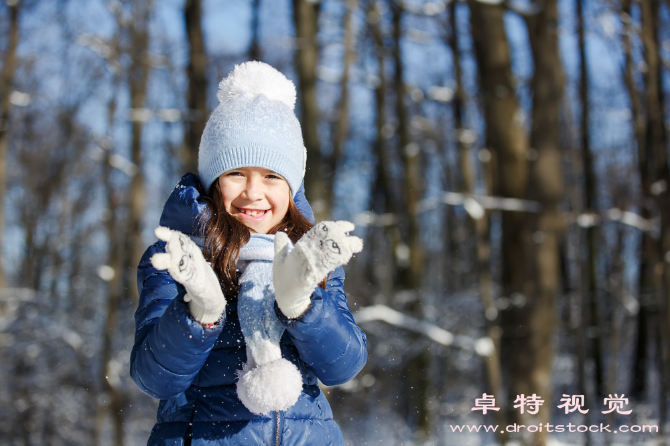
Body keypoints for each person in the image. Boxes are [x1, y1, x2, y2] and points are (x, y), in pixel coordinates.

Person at [130, 61, 368, 445]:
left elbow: (343, 365)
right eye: (236, 173)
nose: (253, 192)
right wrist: (199, 315)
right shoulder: (180, 256)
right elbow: (153, 376)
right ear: (213, 179)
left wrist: (302, 306)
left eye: (272, 176)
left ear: (291, 187)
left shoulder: (309, 257)